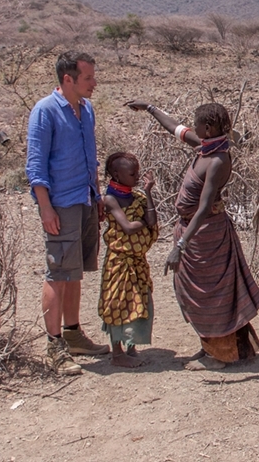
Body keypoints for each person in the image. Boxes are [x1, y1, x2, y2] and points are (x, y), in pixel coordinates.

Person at [125, 99, 259, 370]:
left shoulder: (217, 159)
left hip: (206, 235)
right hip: (194, 232)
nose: (193, 127)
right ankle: (209, 346)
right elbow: (174, 128)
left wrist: (180, 244)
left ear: (209, 128)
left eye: (198, 124)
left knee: (210, 295)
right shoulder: (205, 147)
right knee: (192, 291)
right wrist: (150, 108)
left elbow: (203, 208)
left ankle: (219, 355)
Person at [26, 51, 110, 377]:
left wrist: (97, 194)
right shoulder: (45, 111)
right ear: (68, 79)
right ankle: (54, 345)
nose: (94, 83)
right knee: (58, 272)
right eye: (88, 78)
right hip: (60, 203)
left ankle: (73, 334)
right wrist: (45, 207)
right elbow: (35, 166)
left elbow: (92, 157)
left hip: (85, 199)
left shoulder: (86, 110)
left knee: (74, 272)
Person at [99, 152, 158, 368]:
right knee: (117, 302)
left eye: (138, 173)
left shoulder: (139, 198)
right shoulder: (111, 199)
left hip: (137, 261)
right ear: (116, 174)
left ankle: (131, 347)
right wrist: (143, 222)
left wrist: (148, 192)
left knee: (139, 301)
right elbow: (128, 227)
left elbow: (151, 219)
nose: (136, 177)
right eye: (132, 174)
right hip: (119, 261)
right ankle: (117, 353)